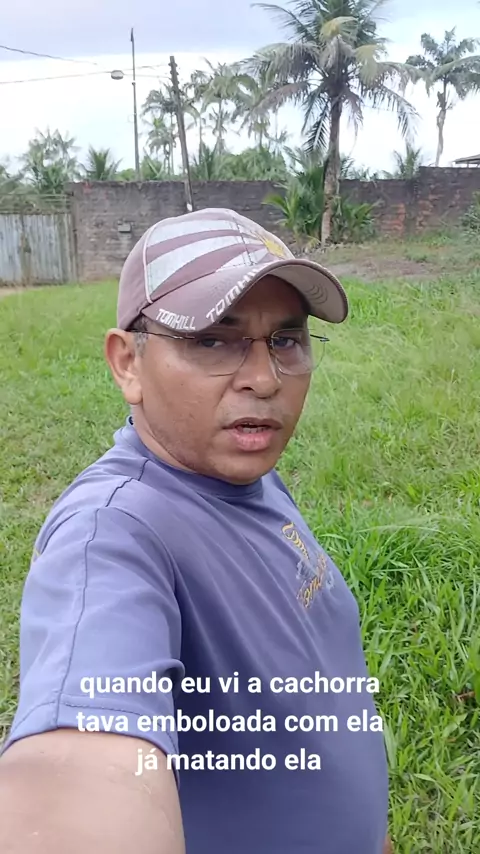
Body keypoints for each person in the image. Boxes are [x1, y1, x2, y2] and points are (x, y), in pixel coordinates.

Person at [0, 208, 392, 854]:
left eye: (286, 340)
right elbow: (76, 781)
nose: (265, 378)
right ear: (127, 363)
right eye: (213, 340)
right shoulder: (111, 535)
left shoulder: (248, 474)